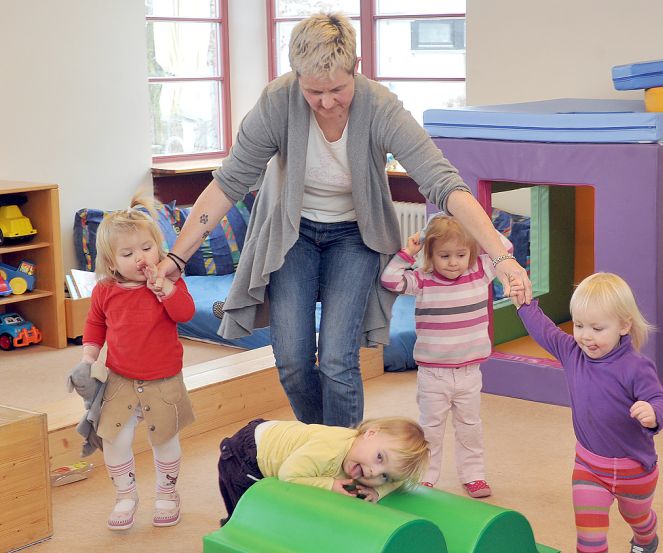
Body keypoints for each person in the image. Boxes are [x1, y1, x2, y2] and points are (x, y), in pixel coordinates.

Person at [154, 11, 531, 430]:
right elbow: (227, 185)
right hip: (292, 233)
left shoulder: (380, 106)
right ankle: (325, 446)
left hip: (354, 235)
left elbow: (444, 184)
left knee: (337, 357)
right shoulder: (277, 103)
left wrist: (502, 258)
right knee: (293, 360)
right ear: (296, 76)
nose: (327, 102)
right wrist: (176, 257)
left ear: (357, 70)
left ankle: (347, 460)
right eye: (314, 91)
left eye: (338, 89)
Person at [514, 272, 663, 553]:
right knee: (589, 540)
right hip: (588, 467)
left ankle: (646, 538)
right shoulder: (572, 352)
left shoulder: (636, 366)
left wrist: (653, 412)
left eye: (597, 329)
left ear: (624, 326)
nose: (586, 337)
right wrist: (524, 304)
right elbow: (544, 330)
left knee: (638, 518)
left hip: (635, 469)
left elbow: (660, 399)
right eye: (579, 325)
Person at [74, 200, 196, 531]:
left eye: (147, 247)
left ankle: (167, 493)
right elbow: (95, 324)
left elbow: (185, 313)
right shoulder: (105, 290)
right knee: (114, 438)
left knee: (165, 437)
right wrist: (88, 358)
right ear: (111, 262)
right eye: (128, 254)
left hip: (163, 379)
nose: (141, 258)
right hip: (120, 379)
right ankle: (125, 495)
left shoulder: (169, 282)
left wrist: (167, 289)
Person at [380, 215, 512, 498]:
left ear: (471, 252)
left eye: (460, 255)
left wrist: (477, 231)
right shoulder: (423, 280)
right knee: (431, 430)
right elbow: (389, 280)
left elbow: (506, 248)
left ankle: (474, 475)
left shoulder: (480, 271)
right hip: (433, 375)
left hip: (469, 373)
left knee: (470, 428)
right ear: (430, 254)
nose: (453, 262)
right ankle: (425, 477)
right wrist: (408, 252)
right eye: (444, 255)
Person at [217, 416, 428, 523]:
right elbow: (288, 476)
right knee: (248, 513)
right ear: (370, 433)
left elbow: (400, 480)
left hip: (281, 442)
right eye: (380, 457)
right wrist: (330, 484)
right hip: (246, 455)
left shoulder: (364, 460)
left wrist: (378, 491)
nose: (373, 472)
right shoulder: (329, 449)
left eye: (384, 476)